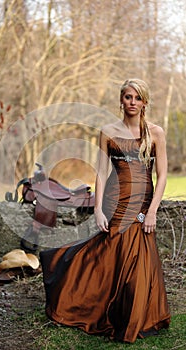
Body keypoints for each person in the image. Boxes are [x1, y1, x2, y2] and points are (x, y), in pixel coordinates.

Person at [40, 78, 171, 343]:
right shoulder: (108, 131)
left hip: (143, 201)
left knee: (140, 258)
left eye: (137, 98)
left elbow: (163, 173)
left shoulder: (155, 133)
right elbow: (101, 170)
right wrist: (98, 208)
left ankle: (135, 315)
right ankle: (90, 301)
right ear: (121, 100)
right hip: (115, 198)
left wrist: (154, 210)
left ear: (144, 101)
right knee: (113, 255)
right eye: (127, 97)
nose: (132, 102)